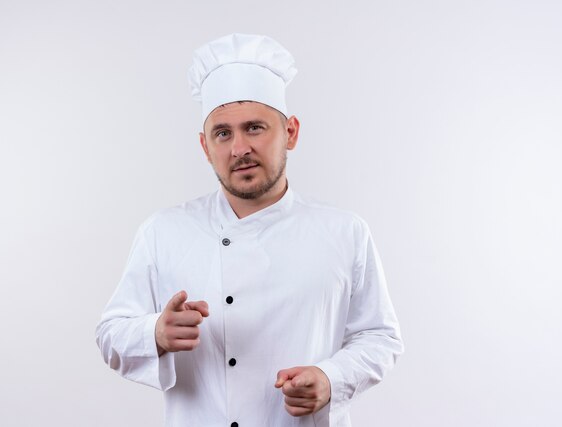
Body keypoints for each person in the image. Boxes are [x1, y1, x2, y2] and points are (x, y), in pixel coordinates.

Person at [95, 33, 403, 427]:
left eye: (254, 128)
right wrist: (154, 331)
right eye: (222, 133)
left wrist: (331, 378)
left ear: (290, 132)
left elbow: (380, 336)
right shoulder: (163, 232)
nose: (239, 148)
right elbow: (110, 335)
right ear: (206, 147)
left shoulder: (344, 232)